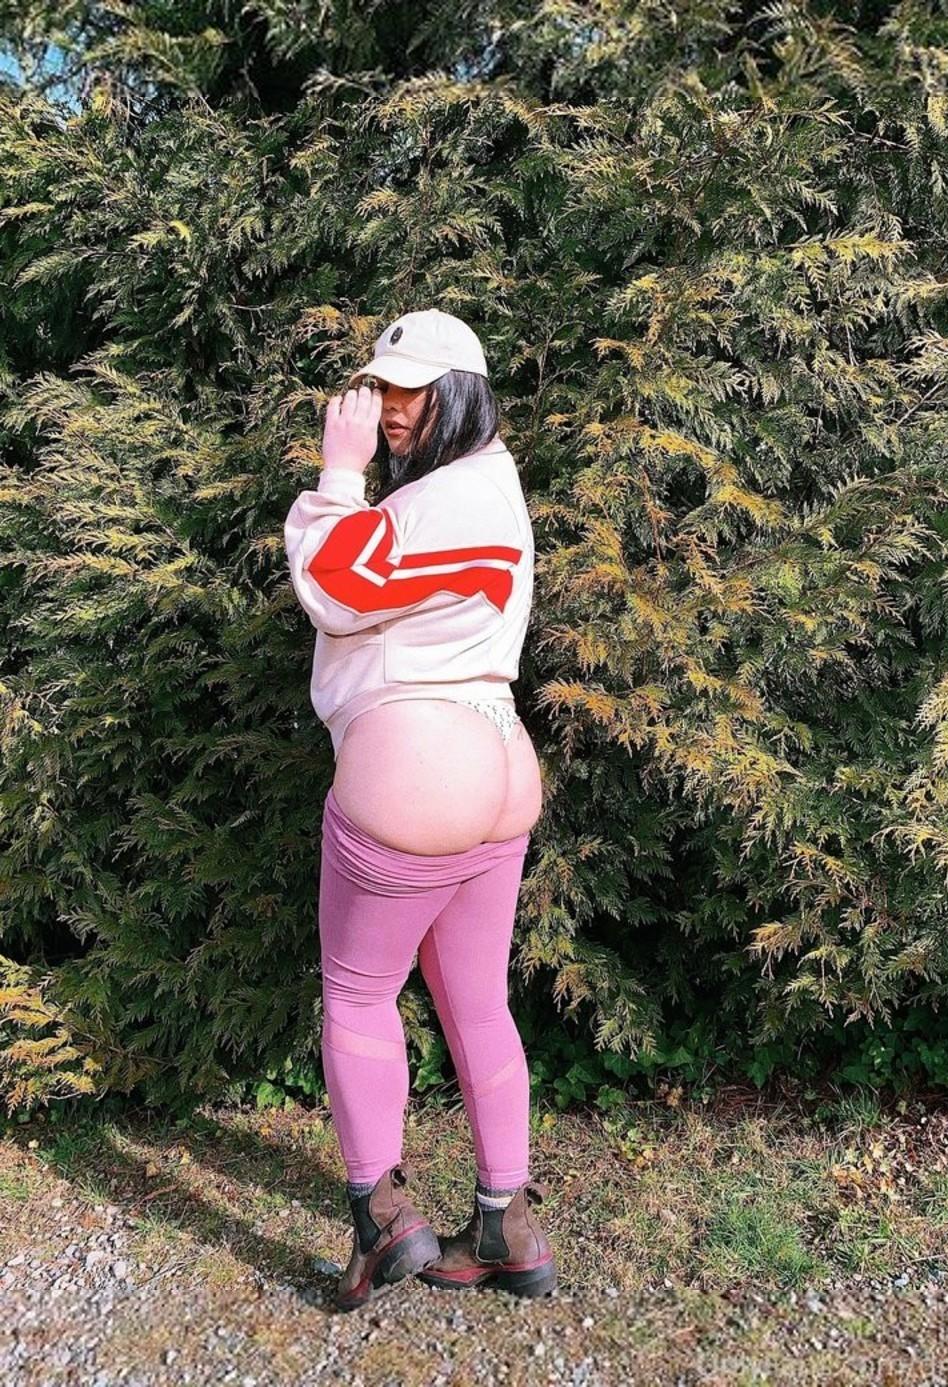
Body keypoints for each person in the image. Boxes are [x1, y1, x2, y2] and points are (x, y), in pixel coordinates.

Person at [283, 308, 558, 1310]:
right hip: (499, 762)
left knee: (358, 997)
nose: (390, 408)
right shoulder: (496, 484)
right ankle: (505, 1226)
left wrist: (339, 472)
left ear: (461, 393)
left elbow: (331, 584)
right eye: (381, 389)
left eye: (410, 390)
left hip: (419, 766)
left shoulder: (443, 496)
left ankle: (383, 1223)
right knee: (477, 1003)